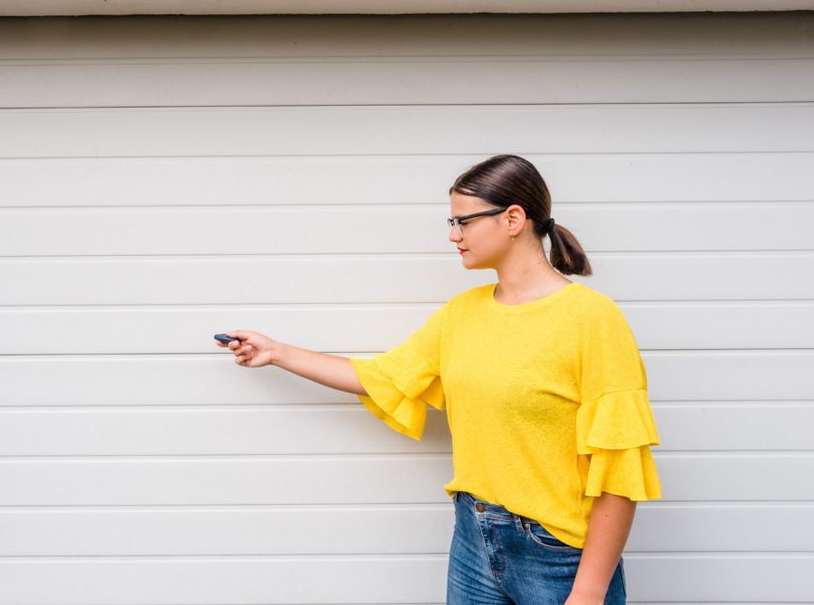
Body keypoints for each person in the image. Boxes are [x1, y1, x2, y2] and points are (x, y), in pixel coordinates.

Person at [214, 154, 661, 605]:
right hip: (472, 539)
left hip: (557, 556)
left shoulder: (593, 319)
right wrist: (277, 352)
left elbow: (619, 471)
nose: (453, 235)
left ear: (512, 219)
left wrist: (587, 592)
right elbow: (383, 377)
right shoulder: (462, 313)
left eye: (463, 221)